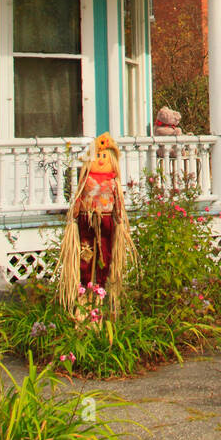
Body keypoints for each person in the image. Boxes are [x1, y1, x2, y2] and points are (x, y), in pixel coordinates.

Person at [57, 133, 135, 316]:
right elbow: (78, 199)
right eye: (98, 156)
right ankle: (84, 289)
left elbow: (118, 203)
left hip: (107, 221)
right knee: (86, 252)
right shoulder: (87, 180)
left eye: (104, 157)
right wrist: (74, 214)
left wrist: (119, 217)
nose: (101, 160)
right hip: (87, 220)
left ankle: (100, 288)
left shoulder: (113, 181)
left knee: (104, 252)